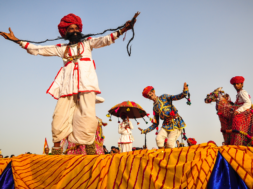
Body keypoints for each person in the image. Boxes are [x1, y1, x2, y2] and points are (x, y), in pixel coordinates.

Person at [0, 14, 137, 155]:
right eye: (70, 28)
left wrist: (124, 29)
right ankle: (57, 150)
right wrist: (17, 41)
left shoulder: (88, 43)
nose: (74, 30)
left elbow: (106, 39)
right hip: (67, 88)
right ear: (65, 32)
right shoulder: (61, 48)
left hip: (87, 85)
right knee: (59, 116)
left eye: (76, 28)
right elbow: (39, 49)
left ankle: (90, 150)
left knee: (87, 116)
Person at [138, 83, 189, 149]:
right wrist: (145, 131)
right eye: (148, 96)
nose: (150, 96)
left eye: (150, 93)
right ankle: (164, 156)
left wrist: (185, 92)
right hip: (166, 124)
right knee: (158, 139)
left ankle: (171, 158)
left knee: (170, 144)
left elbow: (175, 97)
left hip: (175, 123)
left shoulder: (164, 97)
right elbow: (155, 123)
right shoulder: (154, 108)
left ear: (153, 92)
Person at [230, 76, 252, 145]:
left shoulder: (243, 92)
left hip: (245, 113)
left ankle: (239, 141)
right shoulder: (239, 93)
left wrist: (238, 111)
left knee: (236, 120)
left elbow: (248, 103)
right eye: (234, 84)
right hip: (242, 111)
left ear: (242, 84)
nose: (236, 86)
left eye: (238, 84)